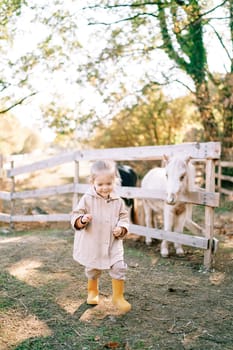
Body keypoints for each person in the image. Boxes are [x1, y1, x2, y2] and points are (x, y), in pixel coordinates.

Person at [71, 160, 131, 313]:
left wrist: (121, 228)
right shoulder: (87, 198)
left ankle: (118, 296)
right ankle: (93, 290)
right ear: (93, 182)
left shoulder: (118, 201)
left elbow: (124, 217)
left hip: (113, 242)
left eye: (109, 183)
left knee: (118, 267)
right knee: (93, 268)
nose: (105, 188)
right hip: (93, 241)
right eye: (101, 184)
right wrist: (82, 220)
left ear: (114, 181)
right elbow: (76, 214)